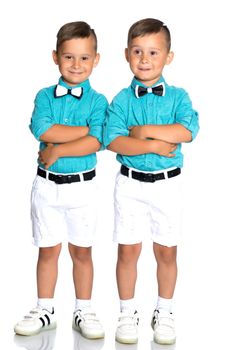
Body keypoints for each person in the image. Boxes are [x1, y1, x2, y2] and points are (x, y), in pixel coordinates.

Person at [103, 18, 199, 345]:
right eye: (138, 51)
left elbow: (187, 131)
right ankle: (127, 312)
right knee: (127, 251)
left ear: (168, 57)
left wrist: (143, 132)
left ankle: (165, 311)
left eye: (153, 52)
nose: (145, 59)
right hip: (129, 186)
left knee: (166, 251)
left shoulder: (178, 97)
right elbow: (113, 140)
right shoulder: (121, 100)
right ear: (127, 54)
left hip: (167, 186)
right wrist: (155, 145)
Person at [14, 21, 108, 340]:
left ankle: (84, 308)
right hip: (47, 187)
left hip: (82, 188)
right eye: (69, 57)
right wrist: (85, 131)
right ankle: (45, 309)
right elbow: (43, 130)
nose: (76, 65)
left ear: (95, 59)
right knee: (47, 249)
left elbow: (98, 141)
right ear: (56, 57)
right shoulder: (44, 95)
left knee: (82, 251)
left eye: (84, 58)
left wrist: (57, 152)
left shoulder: (98, 101)